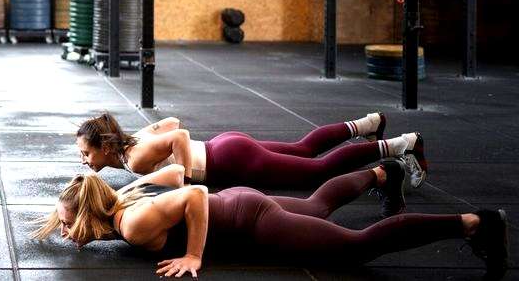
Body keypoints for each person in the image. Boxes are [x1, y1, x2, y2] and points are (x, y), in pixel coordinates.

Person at [33, 163, 508, 279]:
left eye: (69, 226)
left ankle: (475, 222)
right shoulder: (122, 197)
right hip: (240, 202)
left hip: (250, 218)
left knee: (356, 248)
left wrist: (194, 253)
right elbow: (177, 172)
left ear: (92, 215)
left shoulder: (132, 224)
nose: (70, 237)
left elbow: (195, 193)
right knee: (320, 207)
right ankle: (386, 172)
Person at [75, 111, 428, 190]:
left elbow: (178, 134)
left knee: (317, 172)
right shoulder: (131, 146)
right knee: (303, 149)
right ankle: (368, 124)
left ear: (105, 147)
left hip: (232, 159)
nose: (84, 159)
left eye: (86, 153)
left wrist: (181, 176)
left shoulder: (134, 156)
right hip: (226, 147)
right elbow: (169, 121)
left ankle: (402, 144)